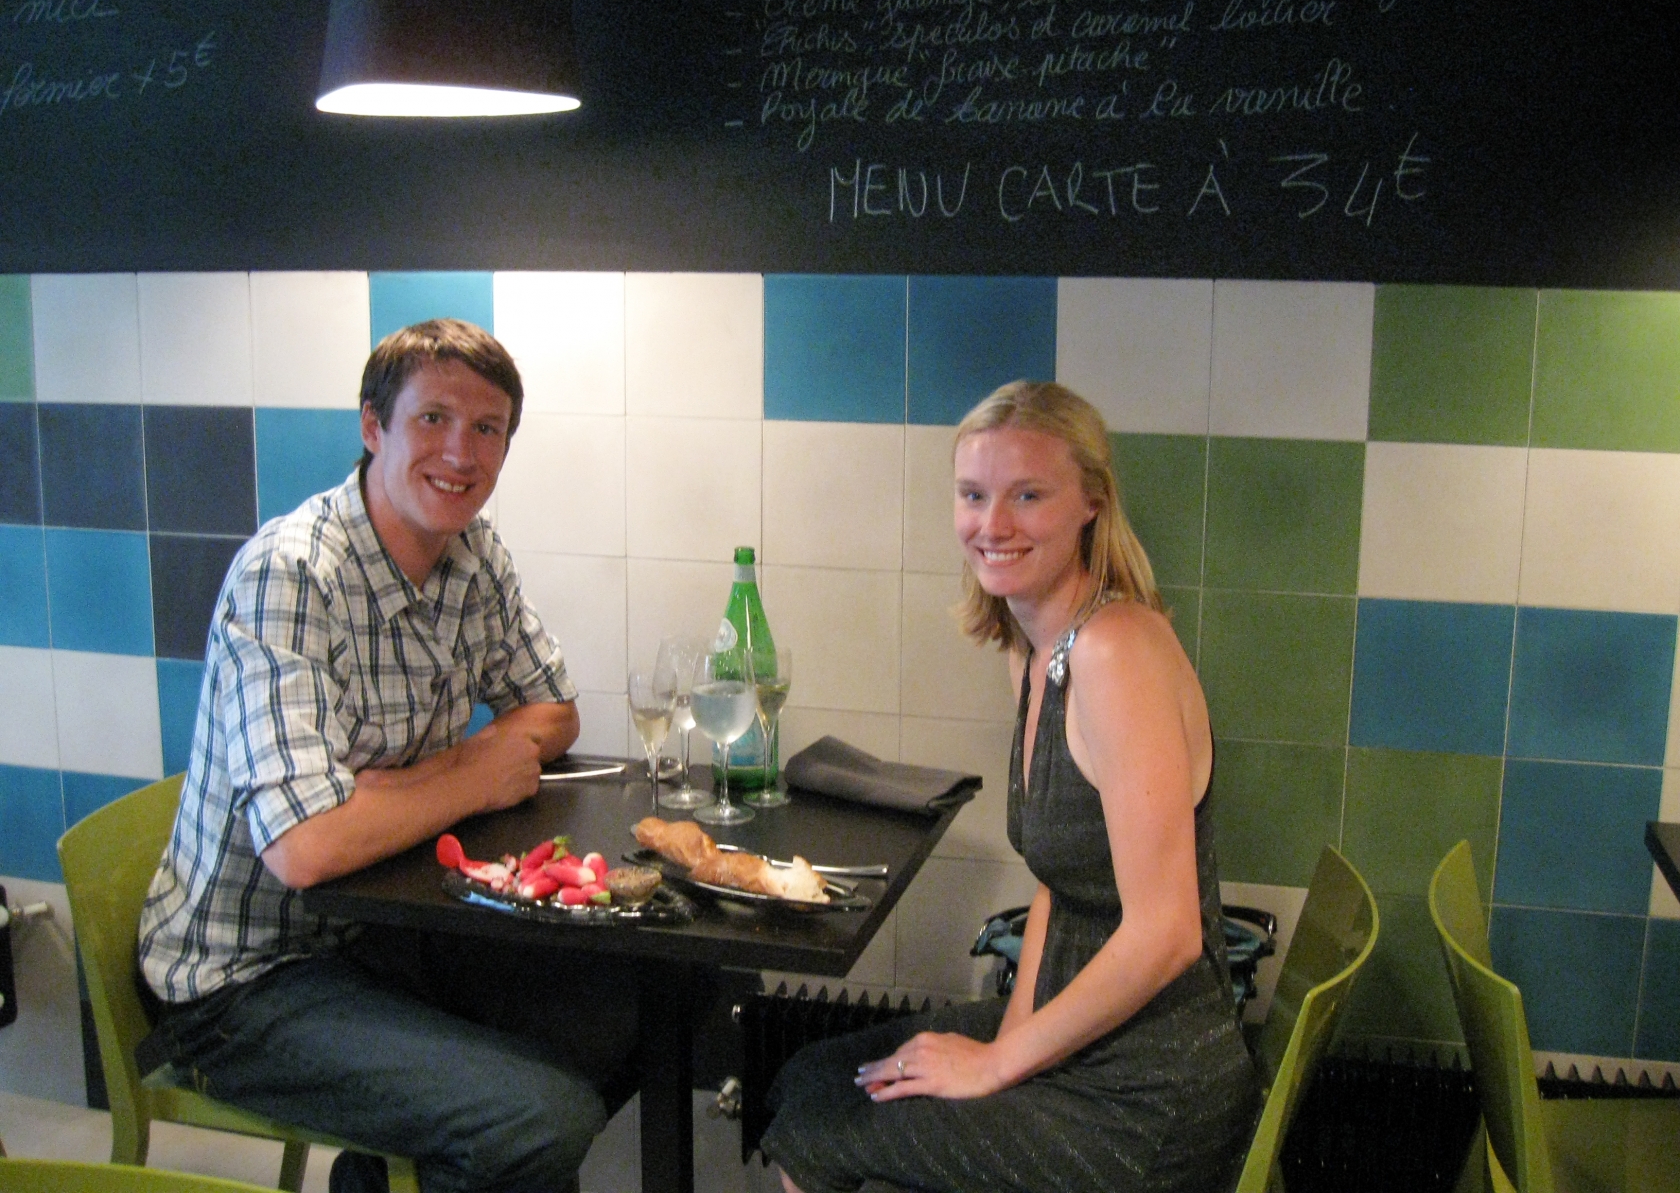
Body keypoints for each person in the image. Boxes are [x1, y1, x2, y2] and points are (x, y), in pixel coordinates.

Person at [135, 318, 634, 1193]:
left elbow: (551, 713)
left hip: (387, 929)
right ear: (373, 427)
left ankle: (382, 1178)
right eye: (433, 419)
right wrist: (473, 776)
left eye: (488, 430)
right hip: (246, 979)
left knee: (650, 1008)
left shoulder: (471, 550)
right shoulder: (289, 577)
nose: (462, 453)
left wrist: (409, 787)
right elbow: (308, 848)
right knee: (537, 1120)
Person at [759, 381, 1261, 1193]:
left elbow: (1168, 933)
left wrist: (998, 1064)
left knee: (830, 1123)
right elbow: (1057, 889)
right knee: (817, 1076)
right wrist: (1011, 1039)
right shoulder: (1037, 651)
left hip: (1151, 1093)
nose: (992, 525)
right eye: (974, 495)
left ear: (1091, 502)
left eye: (1028, 495)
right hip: (1088, 1039)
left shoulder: (1115, 651)